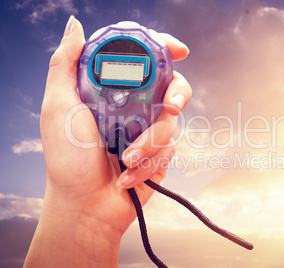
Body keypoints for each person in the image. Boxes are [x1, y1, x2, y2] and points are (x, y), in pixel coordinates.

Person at [24, 16, 192, 267]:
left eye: (134, 70)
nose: (120, 99)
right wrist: (75, 209)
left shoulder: (109, 55)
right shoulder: (150, 56)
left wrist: (87, 220)